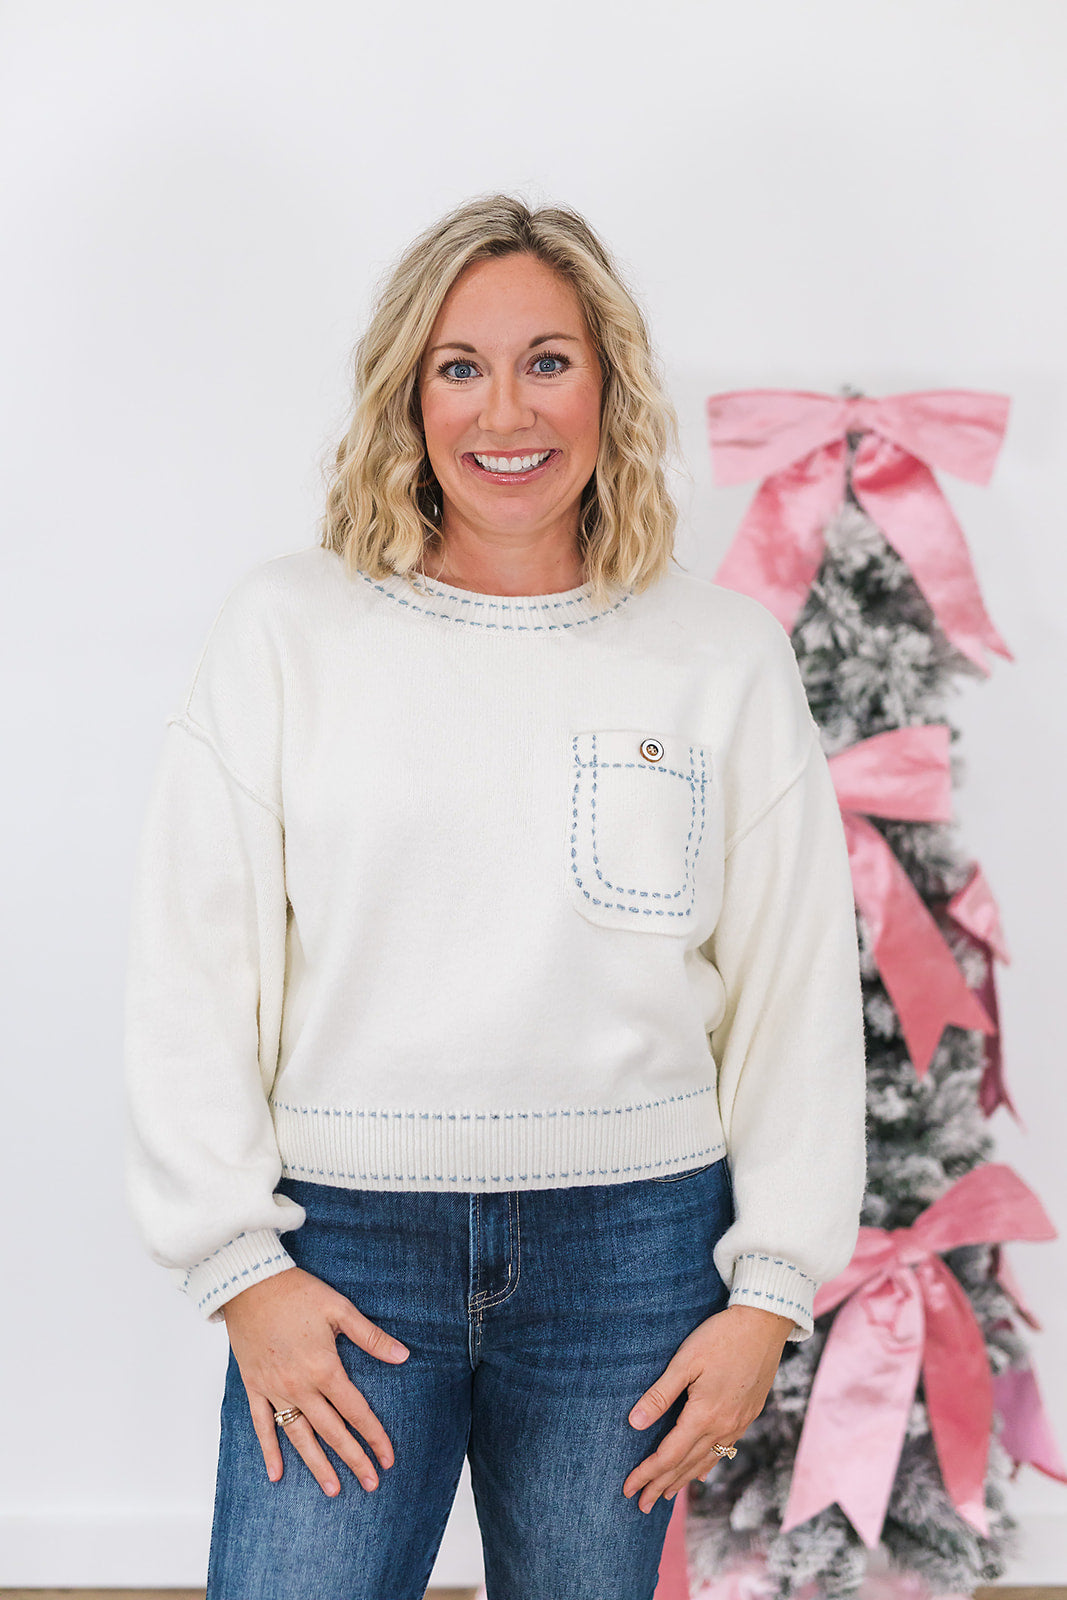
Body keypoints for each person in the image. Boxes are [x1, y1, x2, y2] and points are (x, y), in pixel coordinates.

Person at [123, 193, 868, 1600]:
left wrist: (770, 1295)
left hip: (632, 1259)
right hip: (345, 1252)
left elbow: (794, 989)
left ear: (608, 387)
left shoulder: (717, 655)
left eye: (548, 361)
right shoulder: (288, 632)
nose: (504, 410)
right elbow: (192, 964)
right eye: (459, 366)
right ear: (408, 396)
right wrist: (239, 1269)